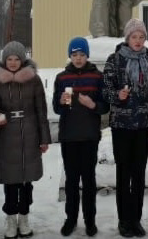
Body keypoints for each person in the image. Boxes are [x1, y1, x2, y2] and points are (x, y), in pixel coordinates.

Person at [102, 18, 148, 238]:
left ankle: (136, 219)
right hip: (121, 126)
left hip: (142, 125)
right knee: (123, 172)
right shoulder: (114, 60)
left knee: (139, 174)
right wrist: (117, 95)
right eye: (134, 37)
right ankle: (123, 220)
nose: (138, 41)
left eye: (141, 37)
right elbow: (105, 91)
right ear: (127, 38)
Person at [0, 41, 51, 239]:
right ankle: (10, 218)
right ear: (4, 60)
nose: (13, 63)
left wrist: (44, 138)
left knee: (26, 182)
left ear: (23, 60)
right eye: (9, 59)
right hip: (7, 136)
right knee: (10, 181)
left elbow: (41, 110)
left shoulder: (34, 80)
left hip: (30, 133)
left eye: (17, 59)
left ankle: (24, 216)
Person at [52, 37, 109, 237]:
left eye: (82, 55)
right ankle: (71, 219)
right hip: (69, 137)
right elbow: (56, 109)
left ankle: (90, 220)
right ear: (70, 56)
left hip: (89, 137)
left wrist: (92, 105)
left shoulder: (97, 77)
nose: (78, 58)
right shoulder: (61, 78)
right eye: (74, 55)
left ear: (87, 56)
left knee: (89, 180)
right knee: (71, 181)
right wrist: (61, 102)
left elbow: (105, 106)